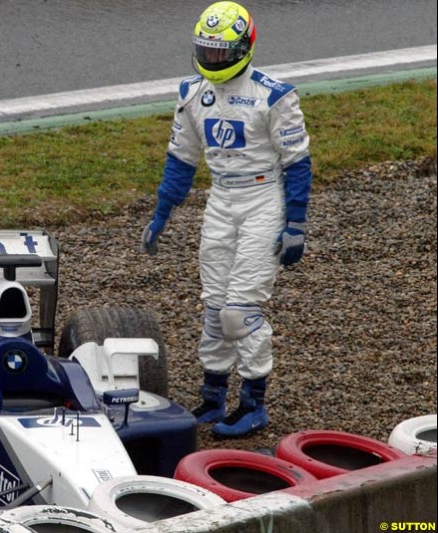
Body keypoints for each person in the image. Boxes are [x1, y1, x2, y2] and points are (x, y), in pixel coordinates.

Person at [141, 1, 312, 438]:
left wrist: (296, 224)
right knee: (215, 308)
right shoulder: (191, 93)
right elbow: (181, 159)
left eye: (221, 52)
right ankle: (213, 396)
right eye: (207, 50)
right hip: (220, 199)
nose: (213, 60)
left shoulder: (275, 95)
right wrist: (161, 214)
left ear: (244, 47)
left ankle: (253, 402)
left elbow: (297, 162)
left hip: (262, 199)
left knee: (239, 313)